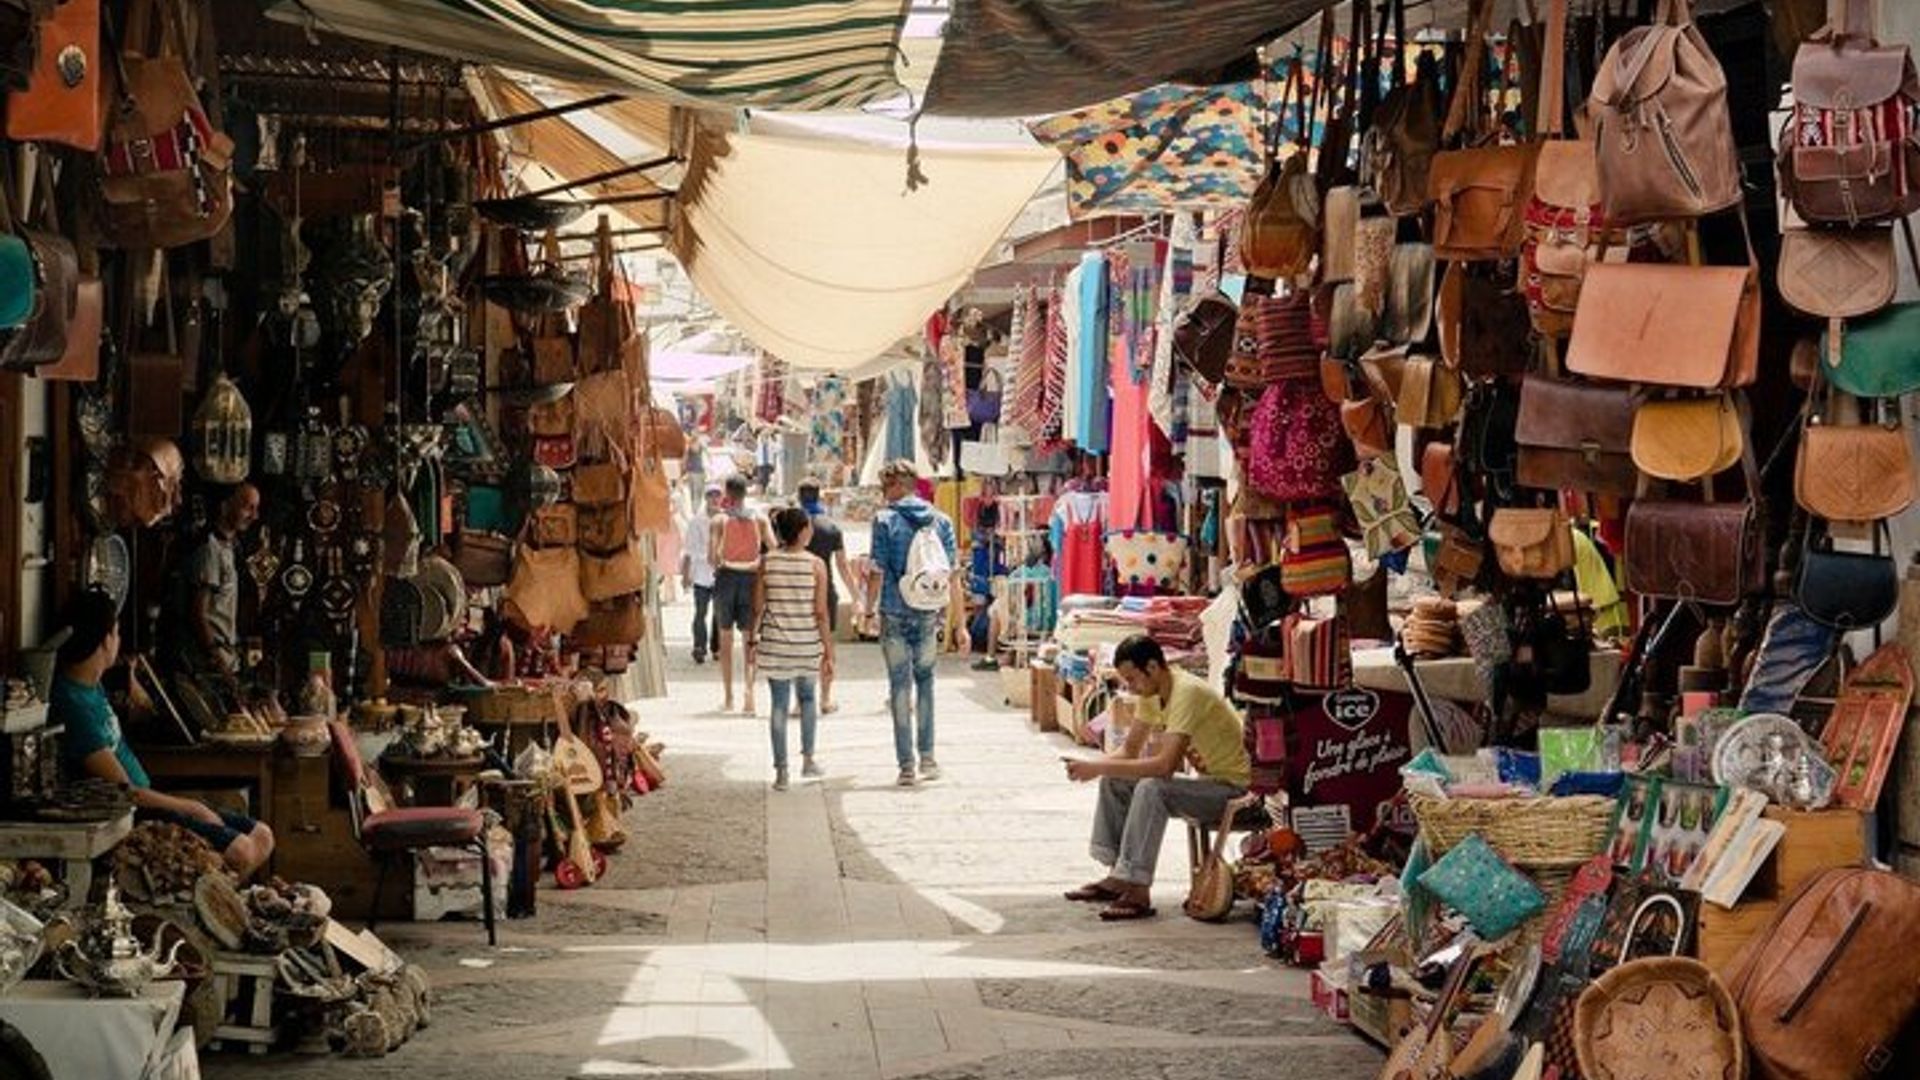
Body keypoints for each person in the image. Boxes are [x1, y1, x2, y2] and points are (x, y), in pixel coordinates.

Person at [52, 590, 275, 875]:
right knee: (242, 851)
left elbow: (146, 708)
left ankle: (212, 898)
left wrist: (132, 679)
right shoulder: (72, 704)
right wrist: (191, 807)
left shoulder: (92, 685)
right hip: (137, 812)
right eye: (116, 633)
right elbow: (125, 793)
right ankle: (205, 899)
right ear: (105, 640)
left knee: (263, 835)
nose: (118, 642)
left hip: (151, 798)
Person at [1062, 634, 1249, 921]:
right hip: (1211, 784)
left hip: (1237, 791)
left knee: (1152, 788)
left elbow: (1164, 767)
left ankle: (1137, 888)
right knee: (1116, 780)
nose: (1130, 688)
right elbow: (1128, 751)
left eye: (1132, 679)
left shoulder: (1187, 692)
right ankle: (1119, 876)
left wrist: (1097, 768)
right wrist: (1093, 765)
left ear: (1152, 667)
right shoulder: (1152, 694)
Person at [864, 460, 967, 787]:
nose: (884, 495)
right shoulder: (942, 521)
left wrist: (867, 611)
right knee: (926, 683)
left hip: (894, 610)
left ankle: (906, 765)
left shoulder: (884, 520)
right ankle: (928, 757)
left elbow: (877, 571)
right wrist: (960, 624)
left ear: (897, 485)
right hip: (928, 612)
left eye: (885, 488)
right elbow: (953, 578)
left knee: (899, 686)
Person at [752, 507, 833, 790]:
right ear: (800, 531)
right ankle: (809, 760)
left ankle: (781, 772)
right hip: (807, 644)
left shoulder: (766, 562)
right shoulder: (816, 565)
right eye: (808, 527)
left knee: (778, 705)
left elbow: (757, 607)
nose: (810, 531)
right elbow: (821, 612)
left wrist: (752, 641)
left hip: (775, 645)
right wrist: (829, 651)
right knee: (808, 699)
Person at [170, 483, 260, 680]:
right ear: (225, 506)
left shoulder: (232, 548)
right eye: (248, 507)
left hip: (228, 660)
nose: (254, 516)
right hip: (208, 665)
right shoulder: (210, 549)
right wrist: (217, 657)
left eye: (256, 509)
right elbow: (198, 612)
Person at [710, 475, 773, 714]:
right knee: (750, 639)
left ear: (728, 493)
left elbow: (713, 556)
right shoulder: (759, 519)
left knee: (725, 640)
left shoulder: (719, 520)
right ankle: (750, 693)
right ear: (746, 492)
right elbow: (773, 547)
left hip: (726, 579)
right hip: (751, 580)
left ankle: (728, 697)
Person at [797, 481, 859, 713]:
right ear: (819, 497)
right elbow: (843, 566)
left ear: (799, 497)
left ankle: (799, 701)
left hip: (798, 593)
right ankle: (824, 698)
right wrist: (855, 596)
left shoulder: (792, 526)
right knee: (825, 647)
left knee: (799, 648)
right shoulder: (831, 528)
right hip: (825, 594)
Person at [683, 484, 722, 664]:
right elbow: (689, 550)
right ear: (706, 498)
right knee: (700, 612)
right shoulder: (696, 521)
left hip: (722, 573)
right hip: (701, 574)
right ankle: (699, 646)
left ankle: (717, 647)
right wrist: (685, 575)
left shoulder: (726, 520)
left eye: (717, 496)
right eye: (711, 496)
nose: (714, 499)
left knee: (719, 613)